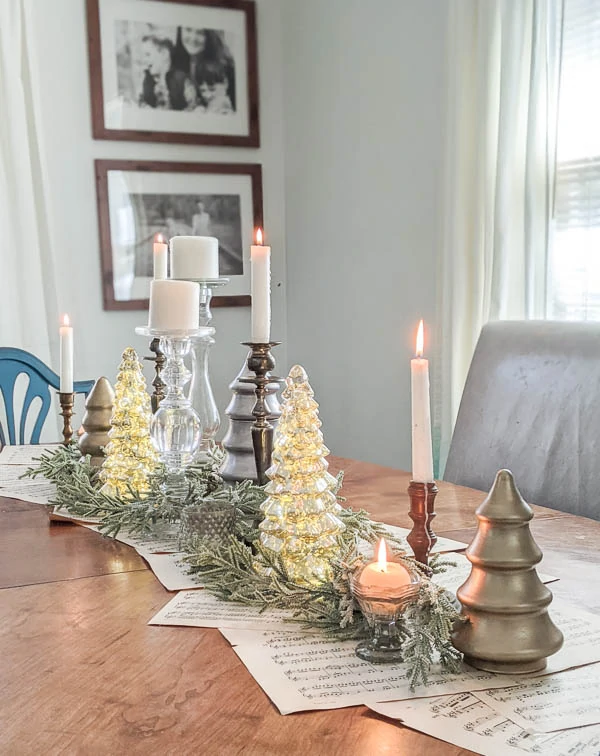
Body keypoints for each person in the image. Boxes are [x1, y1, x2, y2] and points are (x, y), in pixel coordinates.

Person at [171, 27, 236, 111]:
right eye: (188, 30)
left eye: (200, 33)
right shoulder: (175, 65)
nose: (193, 38)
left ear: (210, 36)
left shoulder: (226, 69)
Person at [139, 35, 196, 111]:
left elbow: (195, 106)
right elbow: (143, 101)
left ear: (164, 54)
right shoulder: (148, 81)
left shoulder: (181, 79)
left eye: (148, 54)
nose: (144, 60)